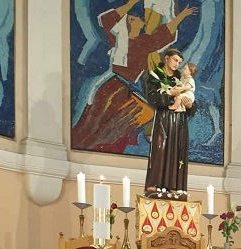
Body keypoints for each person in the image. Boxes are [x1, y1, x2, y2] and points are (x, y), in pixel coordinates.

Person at [71, 1, 197, 154]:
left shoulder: (143, 42)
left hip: (123, 89)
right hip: (112, 87)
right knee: (92, 123)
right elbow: (106, 19)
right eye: (137, 18)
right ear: (130, 20)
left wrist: (182, 15)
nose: (142, 19)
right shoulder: (120, 39)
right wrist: (131, 2)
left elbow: (163, 33)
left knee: (110, 130)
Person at [143, 48, 195, 198]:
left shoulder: (181, 78)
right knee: (160, 148)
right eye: (175, 60)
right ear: (166, 58)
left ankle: (175, 186)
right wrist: (169, 95)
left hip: (179, 122)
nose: (177, 64)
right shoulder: (155, 75)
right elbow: (152, 98)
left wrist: (190, 105)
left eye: (179, 62)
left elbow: (191, 98)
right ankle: (155, 185)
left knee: (177, 152)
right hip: (163, 119)